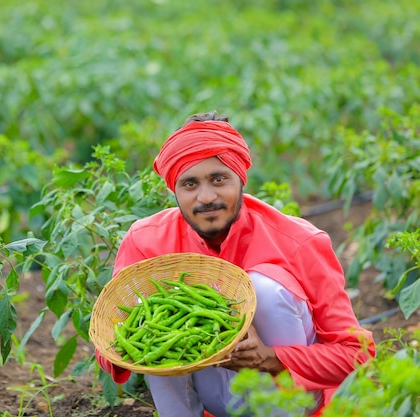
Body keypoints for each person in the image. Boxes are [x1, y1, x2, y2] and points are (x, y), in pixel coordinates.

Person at [95, 111, 375, 417]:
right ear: (174, 189)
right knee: (153, 323)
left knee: (262, 288)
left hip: (291, 394)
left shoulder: (299, 241)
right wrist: (134, 343)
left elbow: (357, 355)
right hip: (213, 397)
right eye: (189, 184)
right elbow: (110, 347)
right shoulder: (146, 240)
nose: (206, 197)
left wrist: (272, 358)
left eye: (219, 179)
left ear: (240, 178)